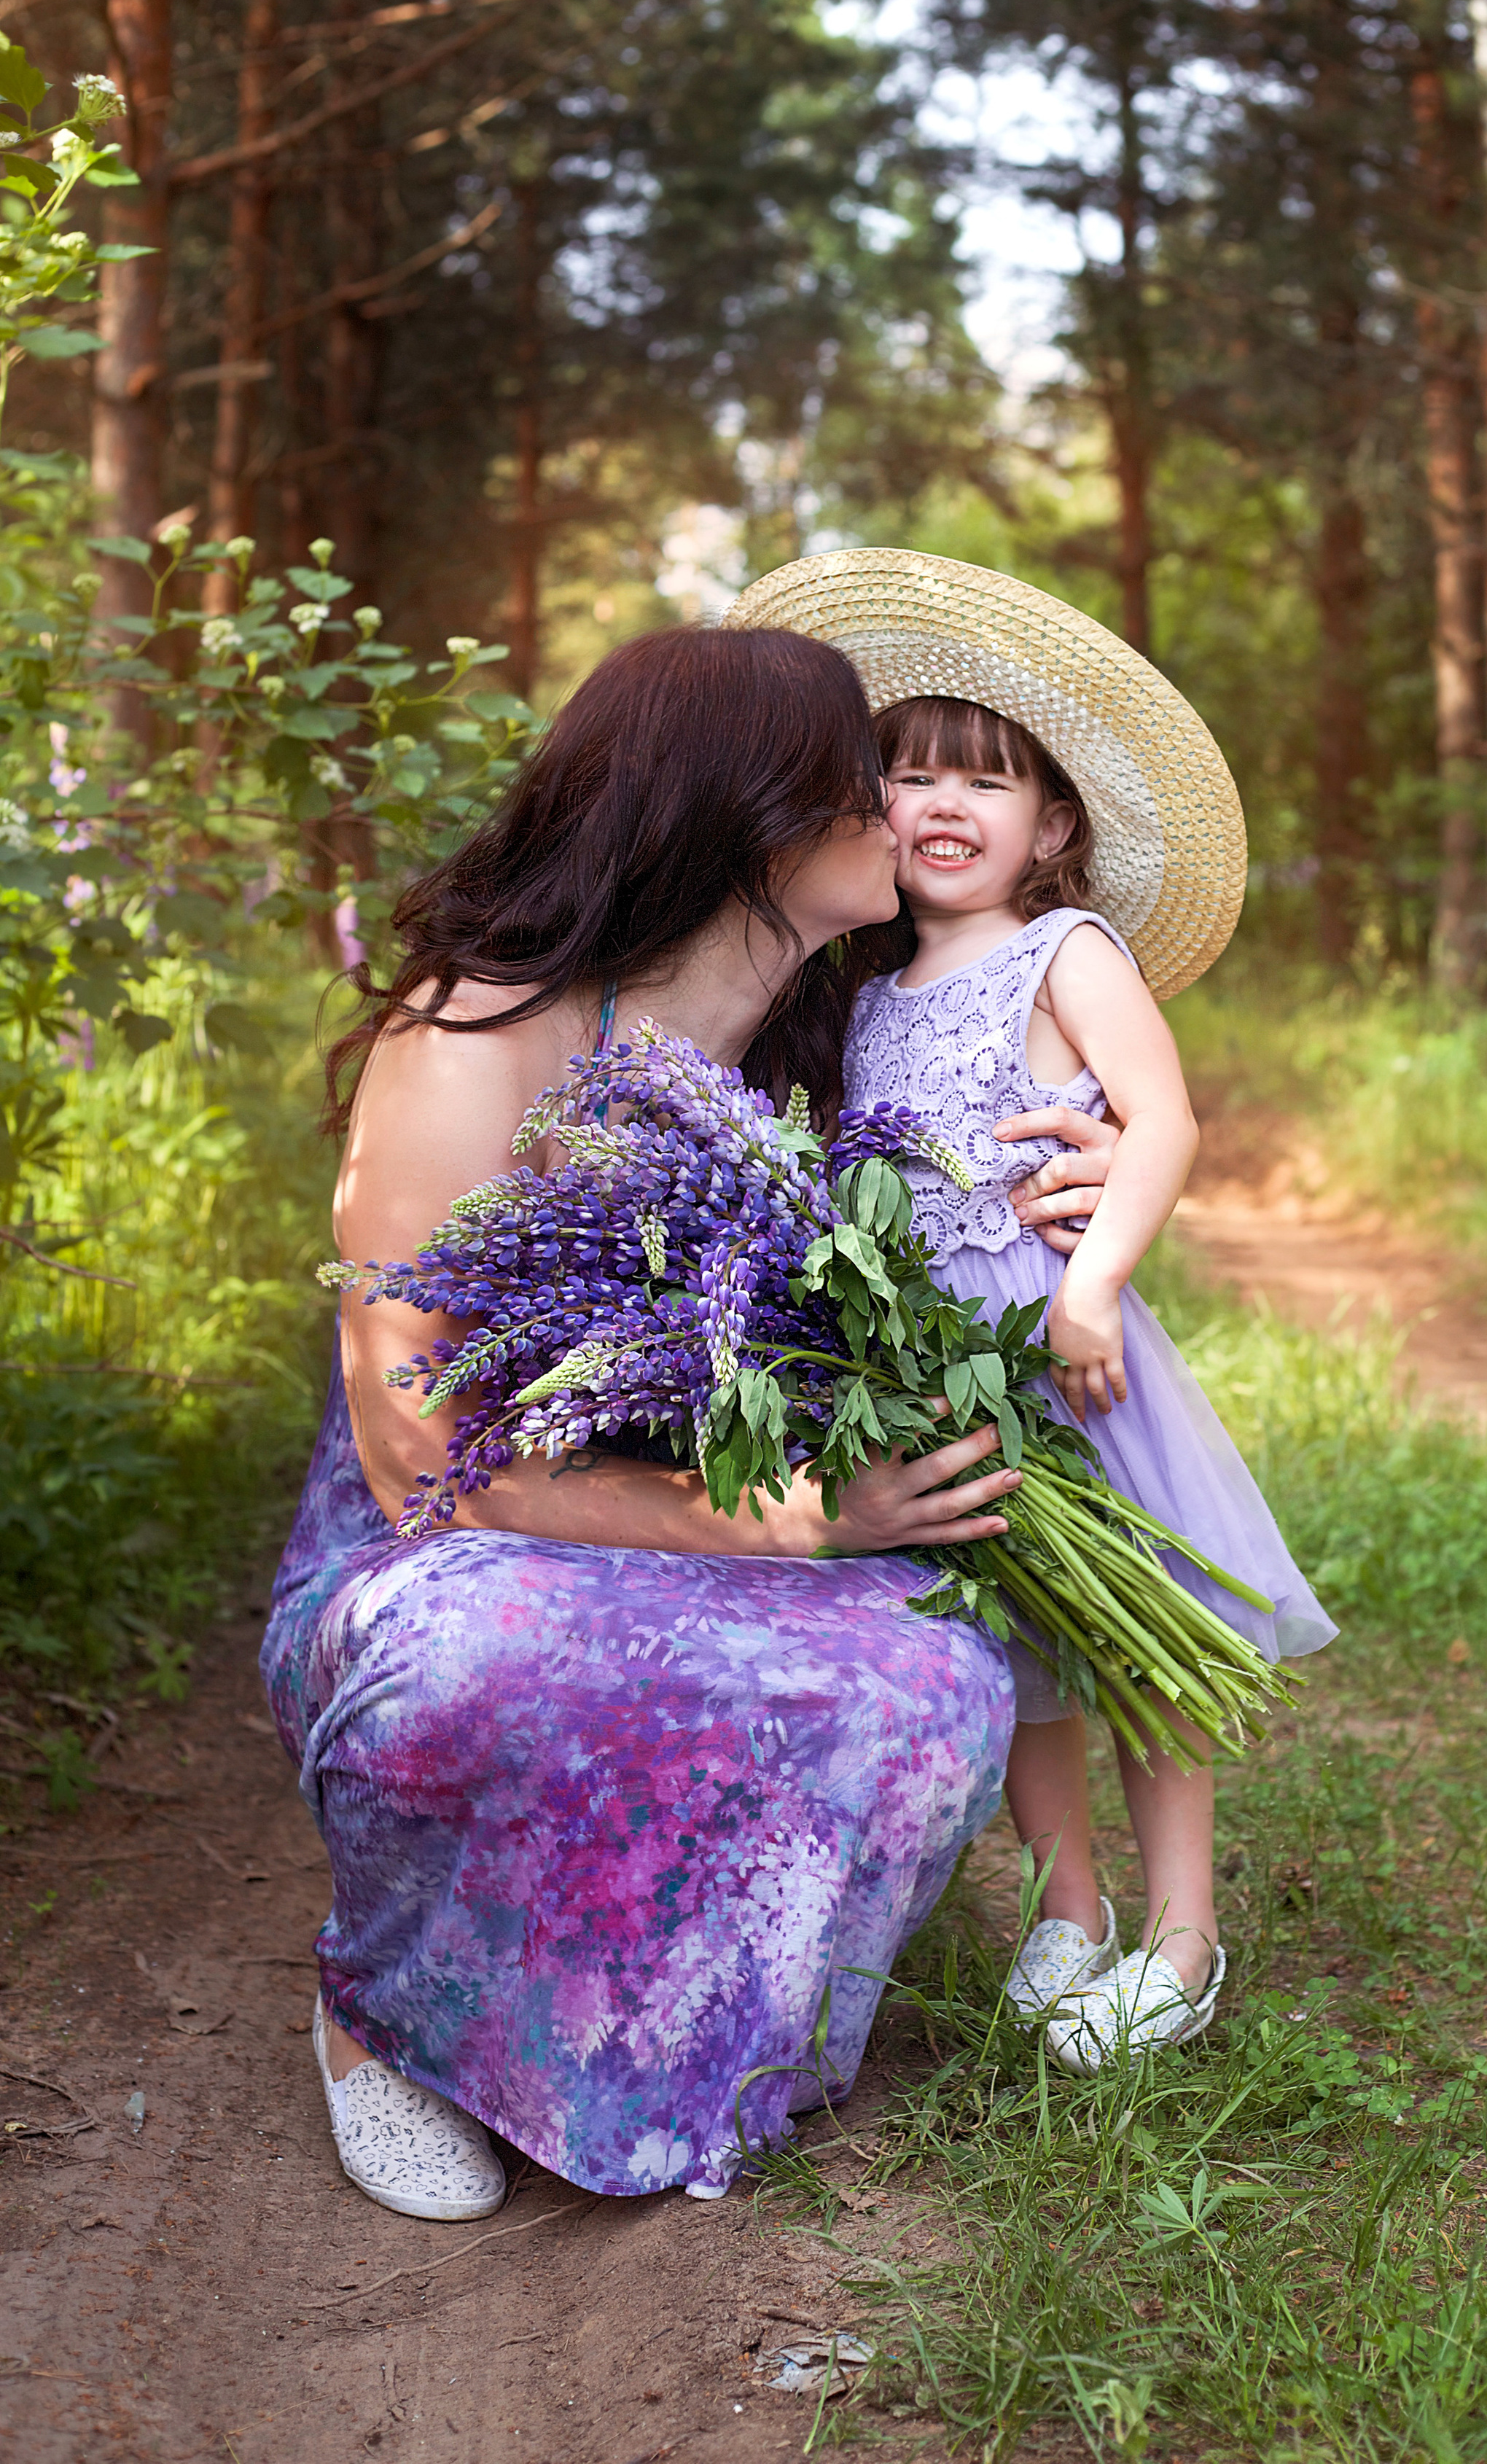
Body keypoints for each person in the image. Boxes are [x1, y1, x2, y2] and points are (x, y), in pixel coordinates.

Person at [262, 624, 1025, 2221]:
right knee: (479, 1666)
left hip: (712, 1505)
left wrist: (1091, 1173)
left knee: (935, 1678)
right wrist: (794, 1523)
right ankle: (387, 2021)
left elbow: (1023, 1130)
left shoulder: (840, 1031)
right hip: (455, 1535)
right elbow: (420, 1462)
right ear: (753, 819)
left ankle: (685, 2039)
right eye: (862, 779)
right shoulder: (480, 1037)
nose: (897, 809)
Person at [727, 550, 1336, 2070]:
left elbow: (1163, 1120)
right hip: (935, 1369)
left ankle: (1182, 1936)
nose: (942, 803)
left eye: (984, 781)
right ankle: (1066, 1910)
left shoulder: (1063, 955)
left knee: (1138, 1637)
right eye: (909, 775)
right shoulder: (862, 994)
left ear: (1051, 826)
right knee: (1015, 1646)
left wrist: (1095, 1285)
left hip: (1056, 1350)